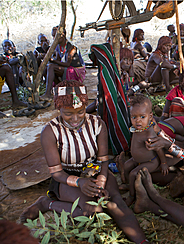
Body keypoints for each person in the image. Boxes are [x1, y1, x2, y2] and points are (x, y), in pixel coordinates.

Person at [20, 80, 149, 244]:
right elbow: (57, 173)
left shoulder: (97, 124)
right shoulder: (50, 131)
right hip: (66, 177)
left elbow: (103, 161)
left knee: (116, 203)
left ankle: (143, 242)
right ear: (58, 109)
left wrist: (101, 182)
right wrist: (80, 182)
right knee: (90, 210)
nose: (75, 119)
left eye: (80, 112)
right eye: (68, 114)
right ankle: (47, 203)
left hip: (94, 170)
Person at [120, 94, 167, 206]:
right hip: (137, 159)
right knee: (126, 166)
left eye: (142, 117)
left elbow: (159, 149)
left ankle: (132, 196)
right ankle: (128, 185)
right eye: (134, 117)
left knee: (133, 174)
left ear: (150, 116)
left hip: (150, 161)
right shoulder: (137, 129)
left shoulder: (149, 133)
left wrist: (164, 162)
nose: (138, 121)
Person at [40, 28, 85, 101]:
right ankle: (59, 87)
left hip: (76, 72)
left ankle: (47, 94)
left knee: (51, 67)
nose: (54, 38)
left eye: (55, 36)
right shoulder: (59, 47)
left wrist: (52, 61)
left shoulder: (71, 48)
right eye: (53, 36)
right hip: (68, 69)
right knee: (49, 67)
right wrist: (50, 60)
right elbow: (57, 60)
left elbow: (67, 64)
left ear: (62, 35)